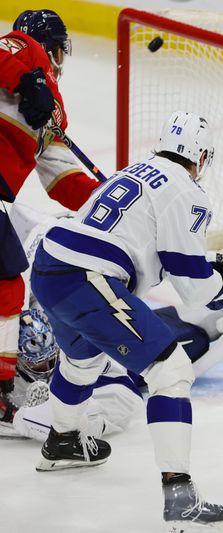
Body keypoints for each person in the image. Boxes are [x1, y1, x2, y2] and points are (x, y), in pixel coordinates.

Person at [29, 111, 223, 533]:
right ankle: (181, 499)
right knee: (171, 370)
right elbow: (193, 288)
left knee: (82, 362)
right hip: (89, 276)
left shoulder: (138, 171)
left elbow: (162, 248)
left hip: (54, 266)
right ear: (201, 156)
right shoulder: (188, 191)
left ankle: (64, 441)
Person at [4, 191, 223, 442]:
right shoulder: (42, 303)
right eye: (40, 366)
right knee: (209, 318)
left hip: (123, 329)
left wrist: (25, 418)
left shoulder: (69, 361)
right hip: (113, 292)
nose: (44, 368)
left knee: (220, 326)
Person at [0, 10, 100, 432]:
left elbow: (62, 179)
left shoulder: (54, 110)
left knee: (7, 284)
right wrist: (27, 79)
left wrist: (110, 203)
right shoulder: (26, 49)